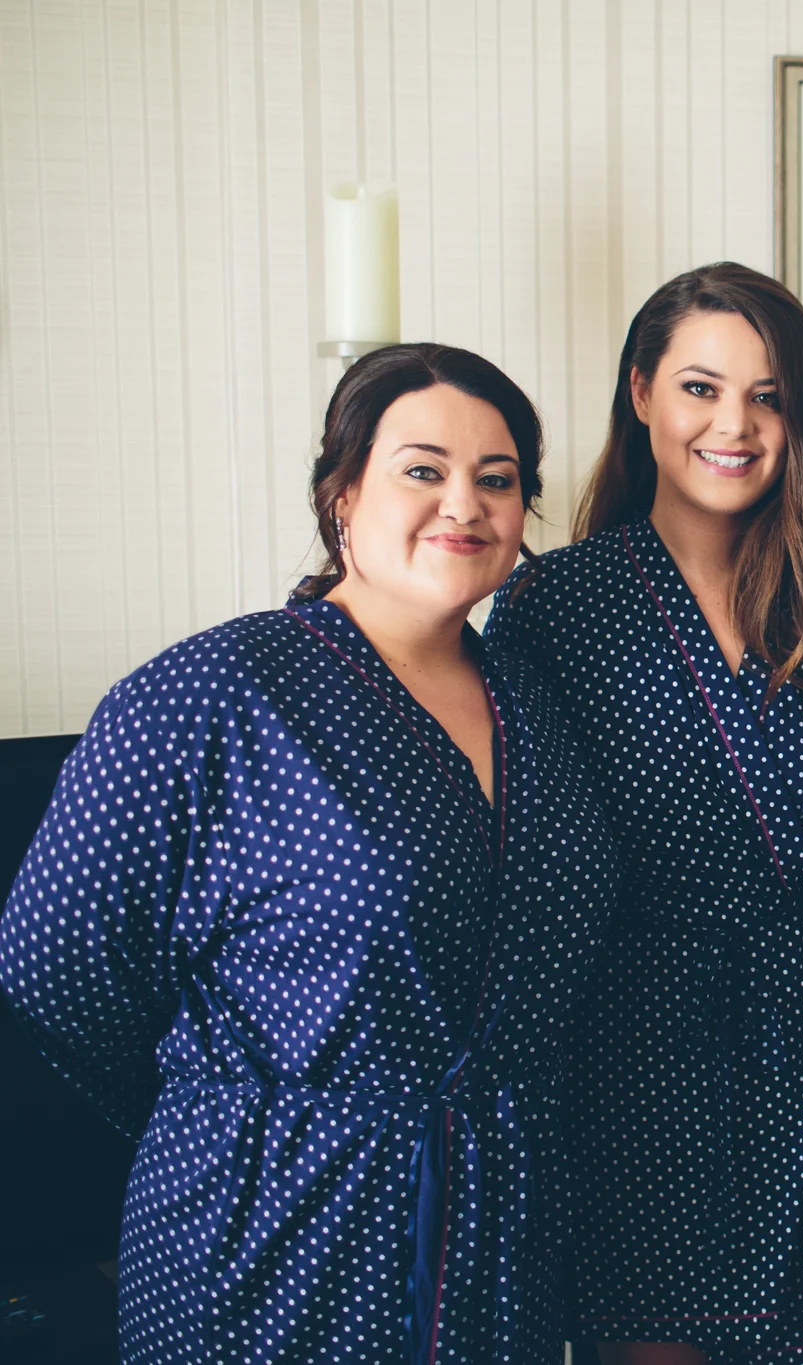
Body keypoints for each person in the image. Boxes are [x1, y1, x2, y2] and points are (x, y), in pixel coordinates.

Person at [0, 344, 617, 1363]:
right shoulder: (213, 695)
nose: (462, 501)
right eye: (421, 469)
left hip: (496, 1235)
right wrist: (234, 1111)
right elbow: (56, 967)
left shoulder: (537, 704)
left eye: (497, 480)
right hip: (268, 1226)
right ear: (341, 495)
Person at [484, 262, 803, 1365]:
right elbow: (516, 855)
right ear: (640, 395)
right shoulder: (558, 605)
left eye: (767, 398)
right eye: (700, 388)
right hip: (637, 1071)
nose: (734, 425)